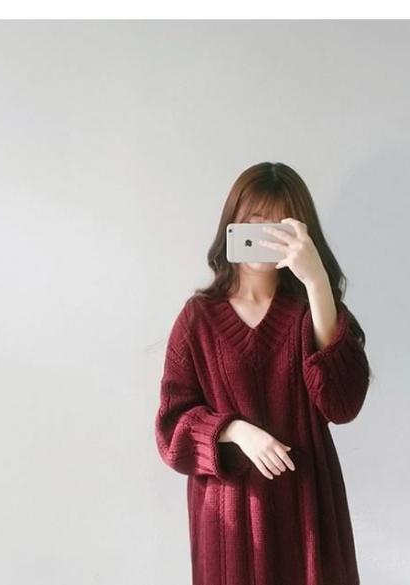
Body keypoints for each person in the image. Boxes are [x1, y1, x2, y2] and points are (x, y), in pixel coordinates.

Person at [154, 161, 373, 585]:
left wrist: (317, 284)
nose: (265, 235)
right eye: (254, 221)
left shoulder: (310, 312)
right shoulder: (198, 319)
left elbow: (343, 404)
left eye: (279, 225)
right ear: (232, 226)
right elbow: (171, 431)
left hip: (308, 514)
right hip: (229, 526)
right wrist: (234, 430)